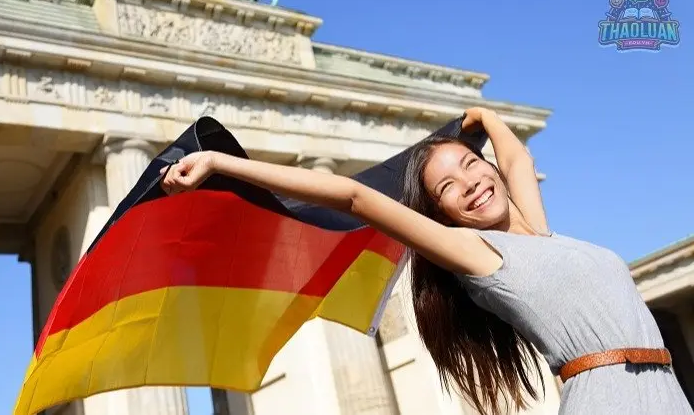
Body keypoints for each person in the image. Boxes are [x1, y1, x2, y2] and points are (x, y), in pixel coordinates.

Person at [160, 107, 692, 415]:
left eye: (470, 165)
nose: (470, 183)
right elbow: (354, 197)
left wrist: (483, 116)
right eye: (447, 187)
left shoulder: (540, 232)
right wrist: (221, 162)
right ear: (444, 216)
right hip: (609, 397)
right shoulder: (480, 254)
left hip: (664, 389)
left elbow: (517, 156)